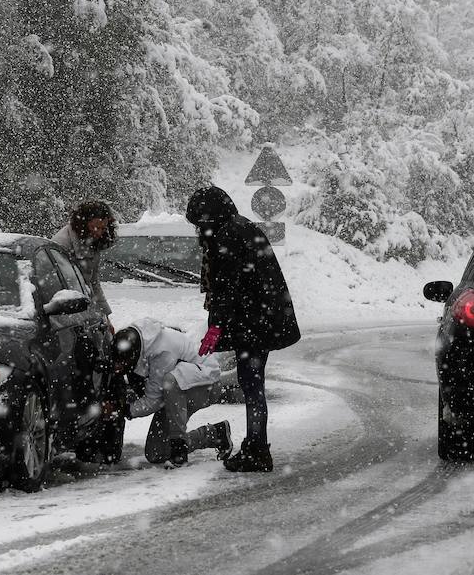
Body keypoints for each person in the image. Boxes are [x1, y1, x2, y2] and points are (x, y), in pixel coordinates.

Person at [186, 185, 300, 473]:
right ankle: (256, 446)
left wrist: (215, 329)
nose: (199, 230)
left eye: (200, 223)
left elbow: (227, 289)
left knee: (252, 386)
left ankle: (257, 450)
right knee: (253, 384)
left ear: (209, 218)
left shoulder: (229, 235)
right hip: (261, 320)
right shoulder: (240, 227)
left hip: (255, 323)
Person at [107, 319, 235, 468]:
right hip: (177, 389)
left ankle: (179, 448)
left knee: (171, 381)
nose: (118, 367)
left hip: (206, 385)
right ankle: (216, 434)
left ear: (134, 353)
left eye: (122, 362)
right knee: (157, 453)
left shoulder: (162, 352)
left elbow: (153, 400)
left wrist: (123, 409)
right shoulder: (134, 344)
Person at [52, 200, 117, 318]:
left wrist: (104, 315)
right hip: (66, 310)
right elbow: (59, 284)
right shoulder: (62, 243)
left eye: (103, 228)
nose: (99, 233)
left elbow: (93, 282)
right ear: (83, 223)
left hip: (83, 306)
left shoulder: (92, 243)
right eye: (95, 227)